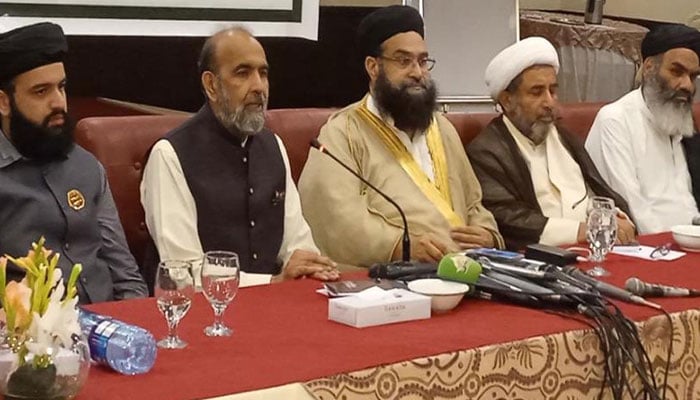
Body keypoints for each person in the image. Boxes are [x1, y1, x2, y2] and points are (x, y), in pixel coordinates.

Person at [297, 5, 503, 267]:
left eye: (423, 61)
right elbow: (336, 220)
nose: (418, 72)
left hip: (468, 272)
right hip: (393, 280)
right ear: (373, 67)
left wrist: (487, 235)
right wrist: (401, 247)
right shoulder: (343, 132)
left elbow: (474, 203)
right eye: (404, 61)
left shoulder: (442, 128)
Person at [141, 27, 339, 286]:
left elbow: (297, 243)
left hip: (274, 305)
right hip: (198, 315)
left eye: (263, 73)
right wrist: (271, 282)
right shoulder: (169, 155)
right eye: (243, 73)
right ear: (211, 85)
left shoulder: (273, 146)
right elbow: (184, 273)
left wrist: (309, 266)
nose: (259, 87)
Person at [0, 22, 147, 303]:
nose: (58, 103)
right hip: (29, 337)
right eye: (41, 92)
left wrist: (138, 322)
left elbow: (123, 270)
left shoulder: (86, 167)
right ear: (4, 103)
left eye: (62, 87)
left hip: (108, 328)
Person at [467, 37, 635, 250]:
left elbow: (597, 193)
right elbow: (506, 218)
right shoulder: (487, 151)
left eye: (553, 91)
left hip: (595, 249)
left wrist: (615, 217)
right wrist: (582, 230)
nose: (549, 102)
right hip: (540, 260)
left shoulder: (565, 137)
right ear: (507, 100)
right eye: (537, 92)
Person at [585, 24, 700, 234]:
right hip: (651, 250)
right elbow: (631, 211)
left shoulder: (681, 123)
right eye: (676, 71)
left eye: (693, 76)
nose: (687, 85)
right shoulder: (615, 121)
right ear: (648, 68)